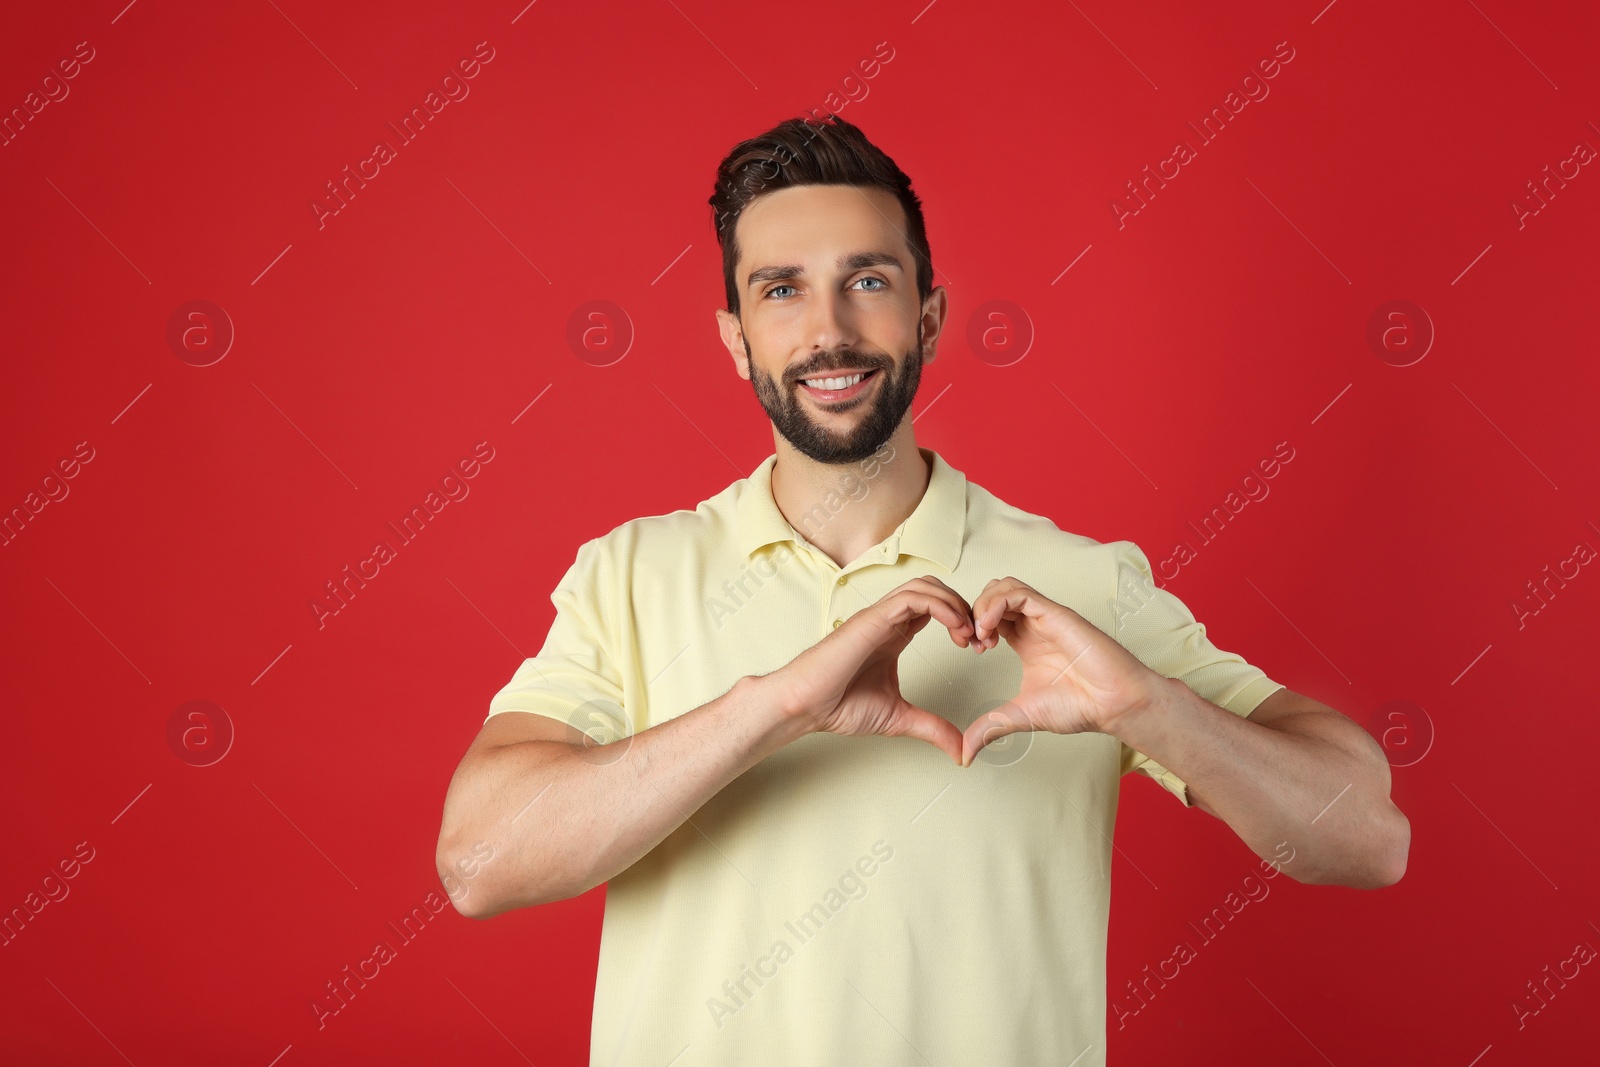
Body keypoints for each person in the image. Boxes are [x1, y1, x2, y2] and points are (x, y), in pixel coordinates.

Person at [435, 113, 1409, 1066]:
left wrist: (1146, 706)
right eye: (781, 290)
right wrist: (775, 706)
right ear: (734, 339)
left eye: (868, 280)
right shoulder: (629, 573)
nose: (829, 329)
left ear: (929, 317)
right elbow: (477, 863)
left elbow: (1367, 835)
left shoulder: (1081, 586)